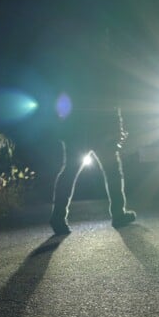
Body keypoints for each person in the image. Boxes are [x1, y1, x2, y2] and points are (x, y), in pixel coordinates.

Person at [46, 28, 137, 235]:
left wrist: (62, 125)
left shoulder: (75, 64)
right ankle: (118, 213)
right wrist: (117, 128)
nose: (105, 43)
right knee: (111, 171)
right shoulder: (105, 65)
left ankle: (58, 217)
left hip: (79, 127)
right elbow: (113, 100)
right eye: (103, 39)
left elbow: (63, 96)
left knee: (72, 171)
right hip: (98, 128)